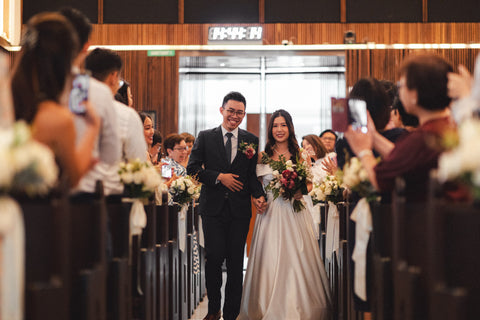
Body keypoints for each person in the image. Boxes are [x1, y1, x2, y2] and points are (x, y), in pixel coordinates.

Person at [238, 109, 332, 320]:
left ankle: (297, 306)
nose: (279, 130)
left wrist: (298, 190)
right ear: (270, 129)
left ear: (290, 128)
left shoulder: (300, 154)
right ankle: (263, 305)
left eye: (283, 125)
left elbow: (309, 183)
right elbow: (255, 184)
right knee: (269, 257)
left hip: (294, 212)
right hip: (270, 213)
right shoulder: (262, 155)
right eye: (275, 126)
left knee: (296, 256)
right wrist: (257, 197)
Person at [187, 91, 266, 320]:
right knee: (213, 259)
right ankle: (214, 309)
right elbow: (192, 169)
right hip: (212, 209)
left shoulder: (250, 140)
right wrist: (220, 176)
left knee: (234, 263)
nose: (234, 116)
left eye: (239, 112)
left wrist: (259, 195)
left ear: (243, 114)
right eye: (230, 110)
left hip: (239, 211)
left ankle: (232, 313)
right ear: (221, 110)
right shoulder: (205, 136)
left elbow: (251, 176)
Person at [344, 54, 455, 202]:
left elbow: (379, 180)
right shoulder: (447, 127)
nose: (399, 92)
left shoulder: (424, 137)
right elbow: (404, 156)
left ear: (415, 94)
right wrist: (373, 136)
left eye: (401, 85)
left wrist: (364, 151)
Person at [11, 12, 100, 187]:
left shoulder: (7, 102)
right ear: (64, 63)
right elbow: (74, 177)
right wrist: (92, 127)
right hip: (37, 212)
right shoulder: (57, 119)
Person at [59, 7, 122, 194]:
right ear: (86, 46)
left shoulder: (21, 84)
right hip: (84, 195)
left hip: (29, 198)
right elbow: (111, 156)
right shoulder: (94, 91)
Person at [85, 48, 147, 166]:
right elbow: (139, 165)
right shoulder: (126, 115)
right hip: (113, 183)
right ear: (113, 77)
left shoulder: (71, 109)